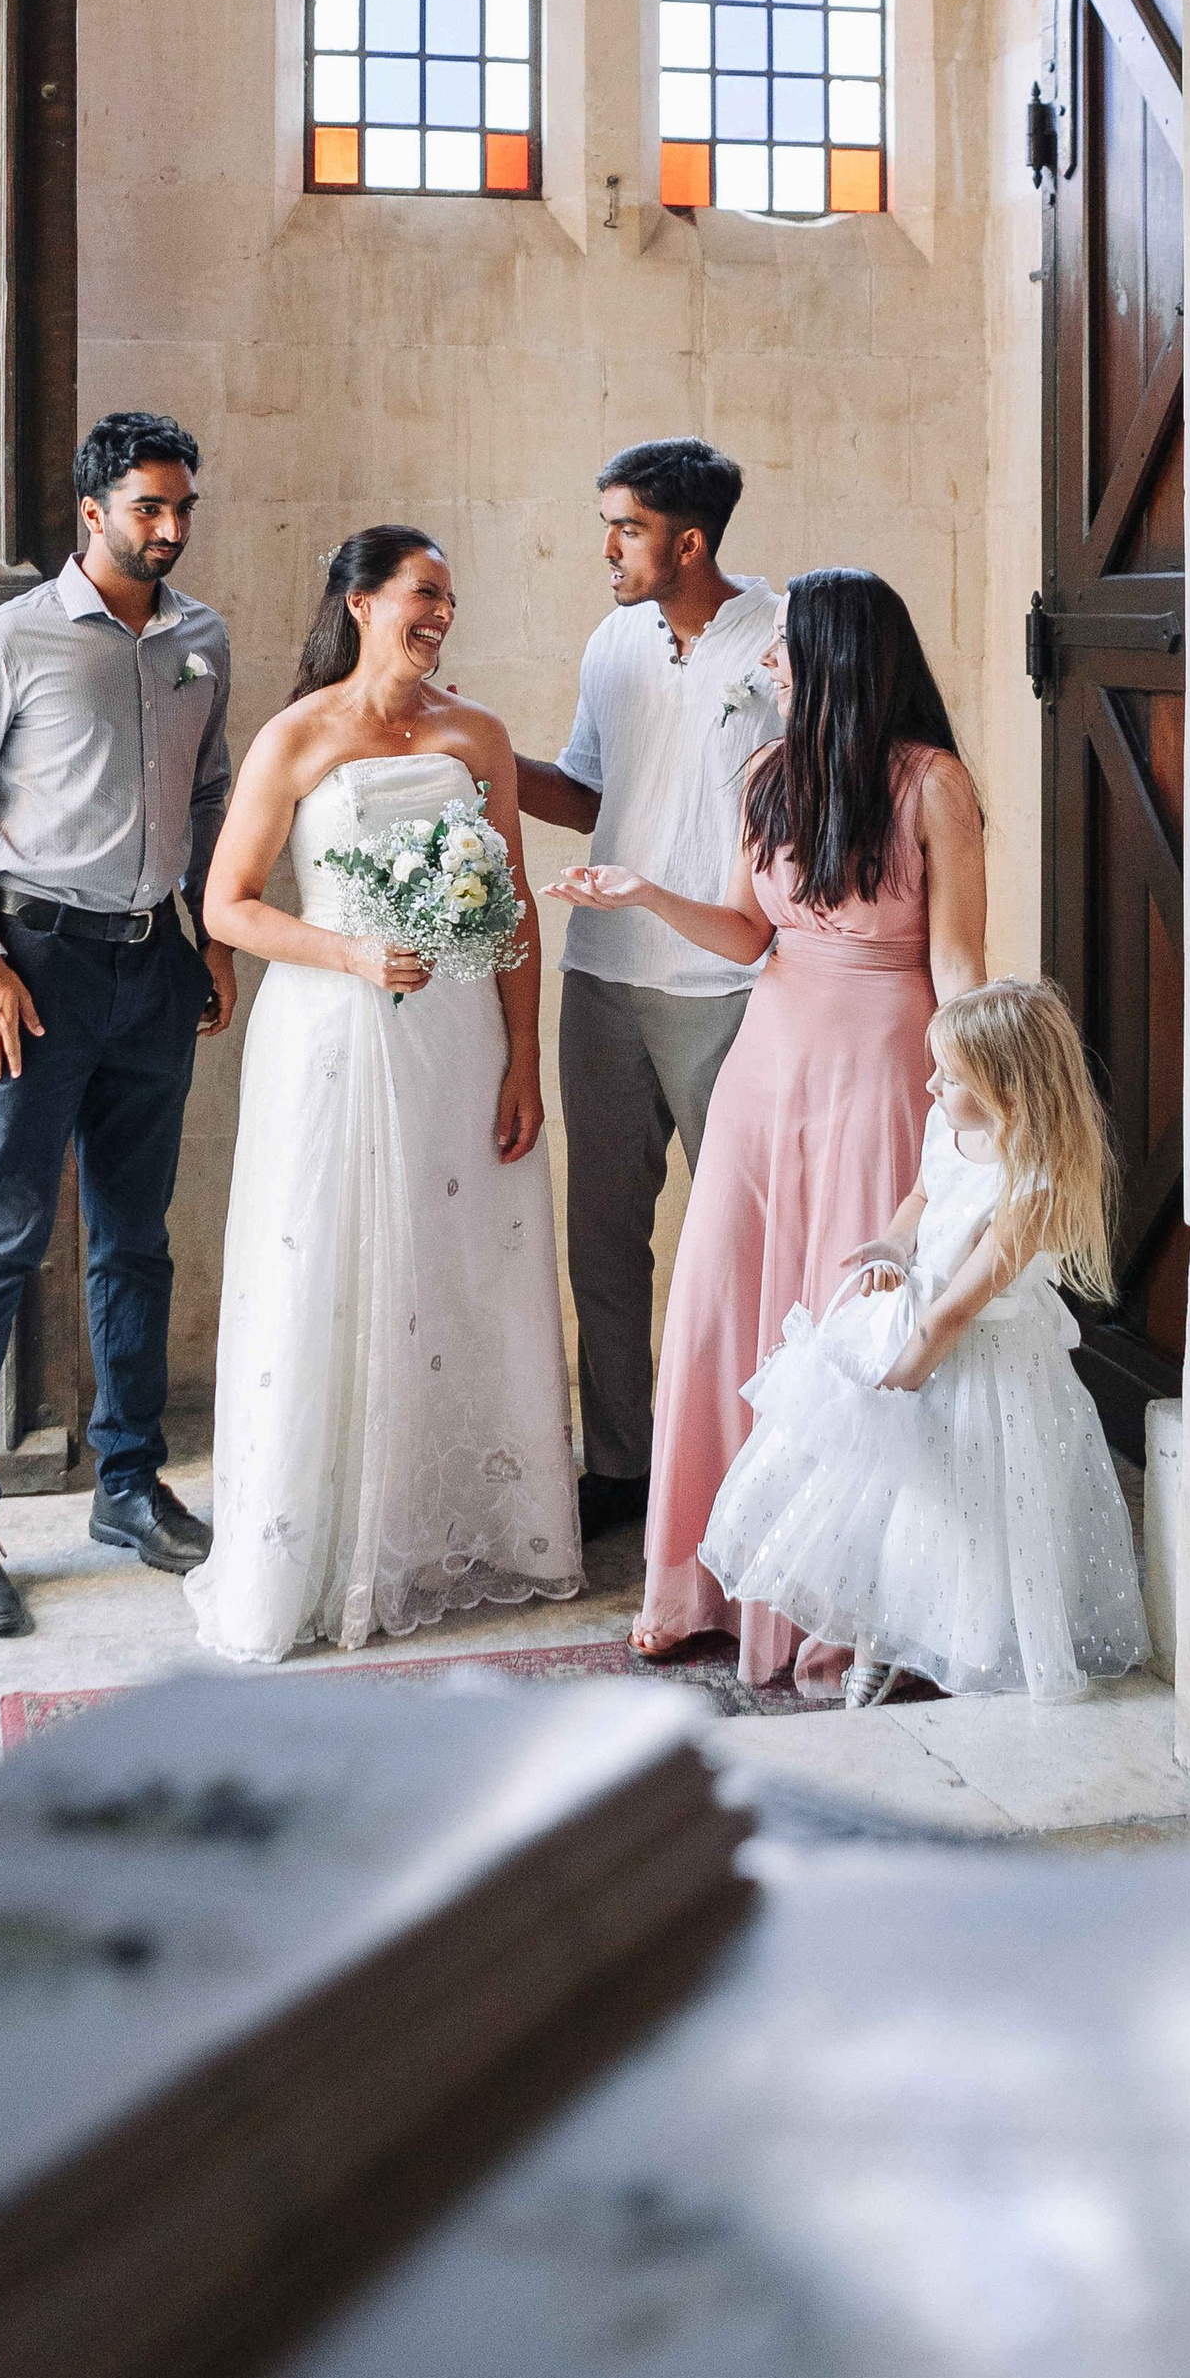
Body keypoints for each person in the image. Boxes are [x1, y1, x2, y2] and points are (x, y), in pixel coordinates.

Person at [549, 564, 987, 1687]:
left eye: (787, 643)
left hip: (884, 1065)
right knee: (720, 1315)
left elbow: (957, 963)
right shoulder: (764, 776)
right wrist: (645, 893)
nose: (767, 660)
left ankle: (839, 1606)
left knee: (847, 1325)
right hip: (766, 1067)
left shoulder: (934, 784)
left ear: (841, 656)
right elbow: (751, 936)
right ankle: (705, 1586)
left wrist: (969, 1092)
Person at [185, 528, 581, 1662]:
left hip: (455, 1039)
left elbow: (509, 910)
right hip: (331, 1033)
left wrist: (522, 1056)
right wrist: (351, 954)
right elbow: (228, 905)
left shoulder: (477, 736)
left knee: (453, 1266)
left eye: (451, 597)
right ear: (359, 603)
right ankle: (315, 1545)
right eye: (423, 593)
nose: (441, 613)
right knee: (333, 1264)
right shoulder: (296, 734)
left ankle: (456, 1526)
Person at [0, 411, 236, 1636]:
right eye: (149, 508)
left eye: (183, 508)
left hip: (153, 967)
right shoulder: (12, 637)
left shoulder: (199, 638)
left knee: (134, 1238)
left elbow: (206, 795)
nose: (170, 529)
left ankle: (129, 1485)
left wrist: (209, 933)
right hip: (31, 966)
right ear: (90, 512)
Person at [701, 978, 1149, 1709]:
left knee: (971, 1515)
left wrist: (885, 1392)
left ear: (1007, 1087)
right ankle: (880, 1641)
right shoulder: (951, 1123)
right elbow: (922, 1196)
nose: (931, 1082)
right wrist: (894, 1242)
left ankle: (964, 1642)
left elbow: (955, 1314)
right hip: (915, 1323)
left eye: (951, 1074)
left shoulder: (1030, 1184)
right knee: (894, 1502)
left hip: (983, 1362)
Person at [513, 439, 779, 1546]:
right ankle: (621, 1468)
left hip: (729, 983)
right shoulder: (614, 639)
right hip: (602, 977)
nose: (606, 548)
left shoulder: (782, 636)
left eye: (624, 527)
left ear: (689, 539)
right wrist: (471, 748)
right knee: (605, 1237)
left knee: (745, 1241)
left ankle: (758, 1469)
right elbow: (584, 795)